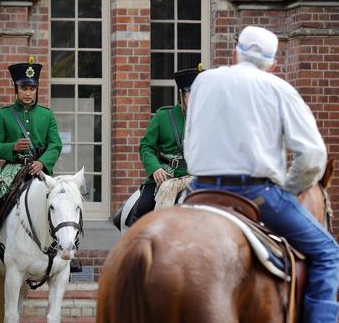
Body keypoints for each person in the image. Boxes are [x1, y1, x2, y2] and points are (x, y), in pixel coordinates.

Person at [184, 25, 339, 323]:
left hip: (199, 190)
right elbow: (313, 156)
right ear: (273, 64)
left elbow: (191, 141)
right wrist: (290, 187)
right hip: (255, 193)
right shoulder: (278, 88)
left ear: (235, 53)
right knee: (328, 253)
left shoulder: (203, 82)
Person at [0, 57, 63, 269]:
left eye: (32, 88)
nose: (28, 93)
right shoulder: (4, 115)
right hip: (12, 170)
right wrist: (12, 148)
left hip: (40, 171)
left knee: (63, 206)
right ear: (16, 89)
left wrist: (42, 162)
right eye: (24, 88)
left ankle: (63, 254)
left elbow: (55, 145)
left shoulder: (46, 115)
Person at [122, 66, 201, 227]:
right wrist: (155, 168)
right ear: (182, 95)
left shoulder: (211, 119)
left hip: (198, 176)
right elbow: (146, 147)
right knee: (142, 210)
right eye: (192, 94)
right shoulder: (163, 116)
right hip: (166, 176)